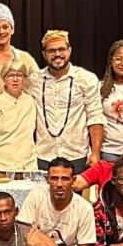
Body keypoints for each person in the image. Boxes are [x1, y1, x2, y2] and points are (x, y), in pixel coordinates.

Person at [30, 30, 103, 174]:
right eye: (51, 51)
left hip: (77, 155)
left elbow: (95, 117)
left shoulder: (86, 79)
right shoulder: (34, 80)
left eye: (61, 49)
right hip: (43, 155)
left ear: (69, 50)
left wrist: (95, 152)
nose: (57, 54)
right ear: (44, 54)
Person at [17, 158, 96, 246]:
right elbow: (21, 229)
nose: (59, 184)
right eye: (54, 178)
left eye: (65, 179)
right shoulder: (36, 196)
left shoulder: (84, 208)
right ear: (47, 179)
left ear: (73, 180)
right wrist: (43, 238)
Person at [0, 60, 38, 181]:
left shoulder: (31, 101)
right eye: (10, 75)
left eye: (19, 75)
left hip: (28, 167)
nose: (15, 79)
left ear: (25, 79)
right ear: (4, 79)